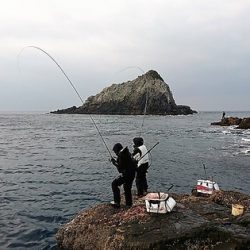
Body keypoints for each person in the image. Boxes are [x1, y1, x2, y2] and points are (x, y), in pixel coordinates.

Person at [110, 143, 136, 208]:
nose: (115, 153)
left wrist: (114, 163)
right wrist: (117, 161)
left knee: (114, 184)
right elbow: (124, 163)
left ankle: (117, 203)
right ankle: (128, 204)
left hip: (127, 174)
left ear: (117, 150)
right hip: (132, 173)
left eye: (115, 152)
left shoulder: (121, 155)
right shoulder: (126, 152)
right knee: (127, 188)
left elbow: (120, 169)